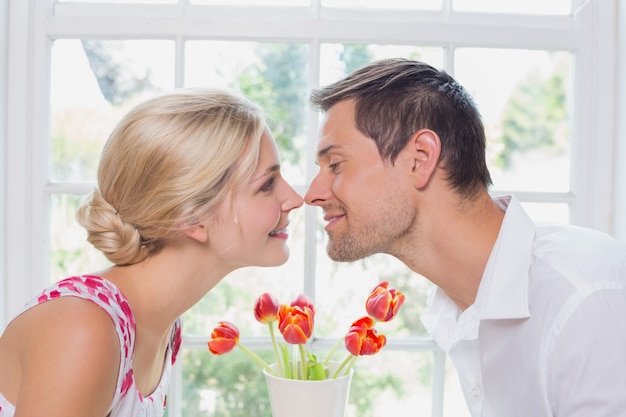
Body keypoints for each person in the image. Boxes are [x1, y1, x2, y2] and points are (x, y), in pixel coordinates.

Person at [304, 58, 626, 417]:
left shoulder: (587, 302)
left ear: (420, 158)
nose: (312, 193)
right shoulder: (458, 307)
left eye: (335, 164)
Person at [0, 88, 303, 416]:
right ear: (192, 216)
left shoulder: (164, 326)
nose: (294, 198)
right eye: (266, 185)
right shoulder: (85, 331)